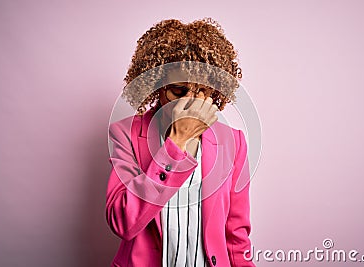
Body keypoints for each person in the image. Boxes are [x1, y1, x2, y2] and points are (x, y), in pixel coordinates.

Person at [106, 18, 256, 267]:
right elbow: (123, 222)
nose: (187, 102)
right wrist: (177, 142)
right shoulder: (125, 134)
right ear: (158, 86)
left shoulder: (234, 143)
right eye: (177, 90)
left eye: (200, 91)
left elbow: (236, 238)